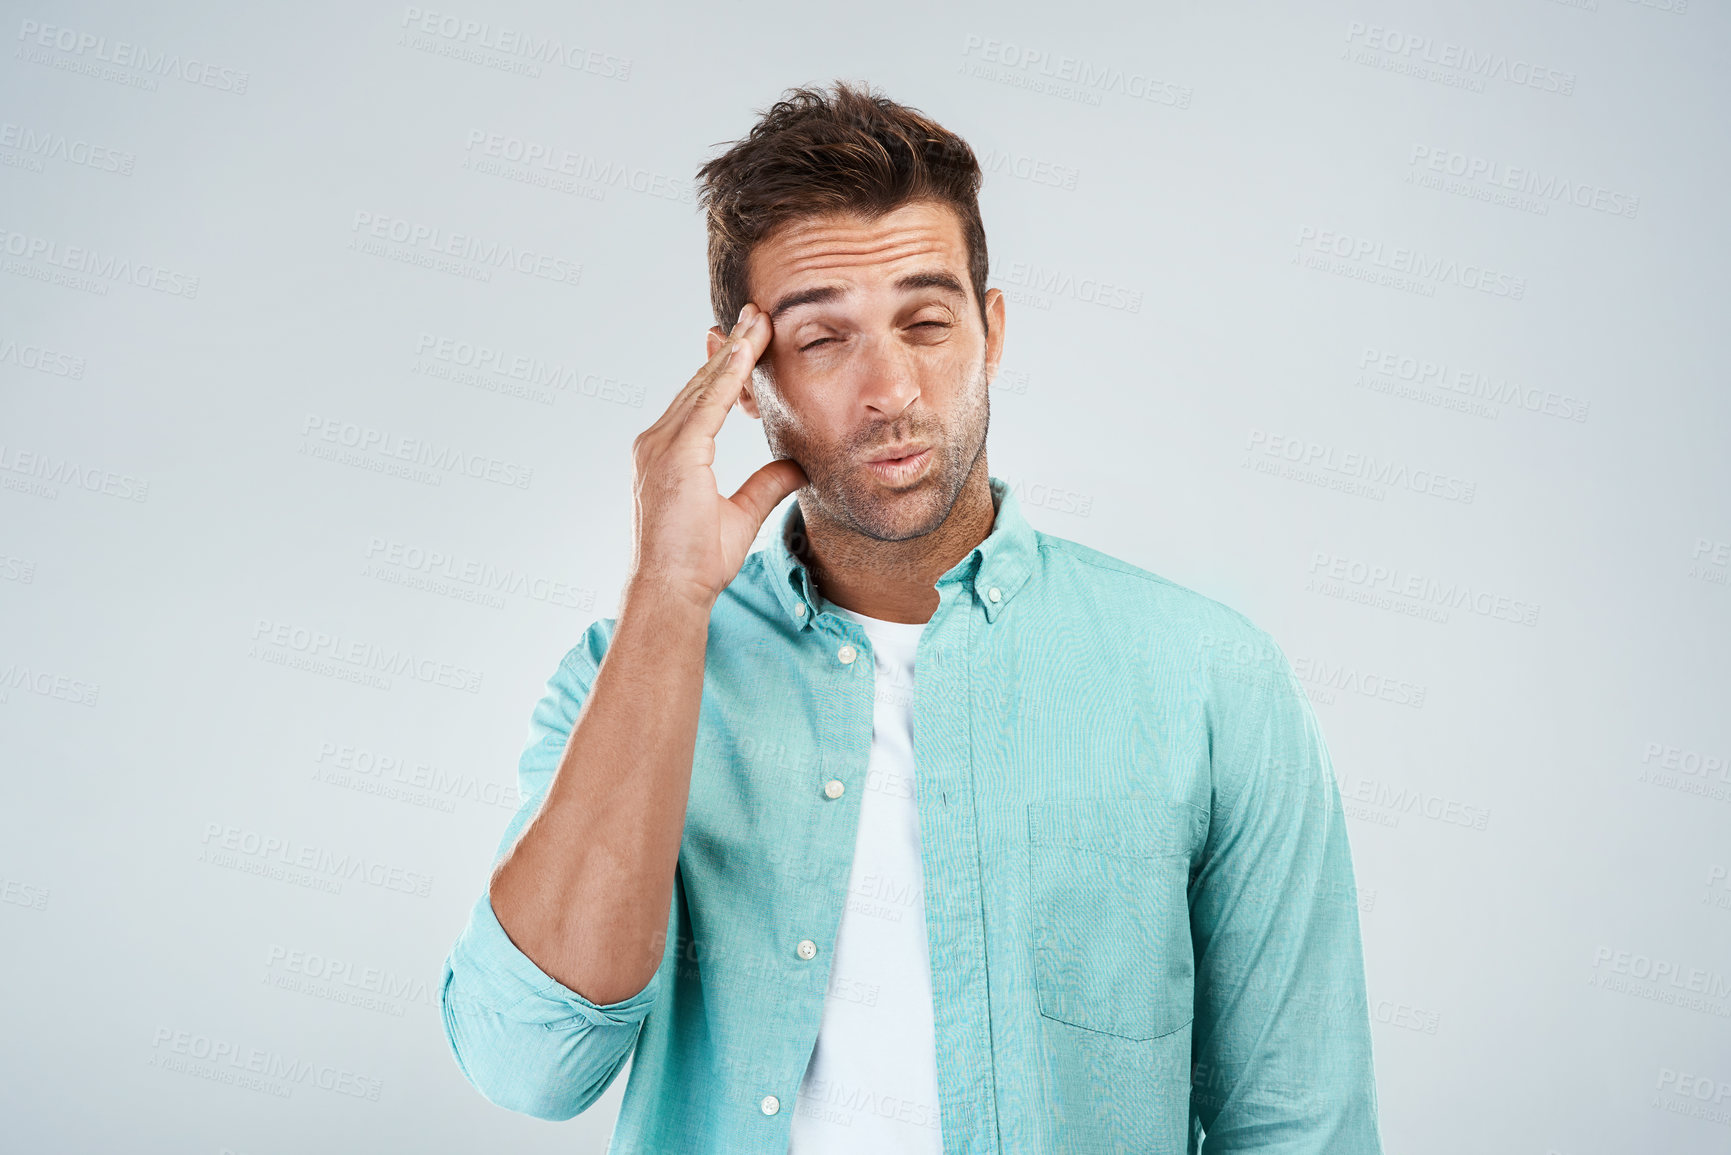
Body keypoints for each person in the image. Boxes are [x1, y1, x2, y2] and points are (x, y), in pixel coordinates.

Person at [437, 80, 1385, 1154]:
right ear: (740, 381)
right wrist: (666, 597)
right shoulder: (628, 673)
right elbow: (531, 1065)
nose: (890, 386)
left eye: (926, 323)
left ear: (990, 329)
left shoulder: (1212, 679)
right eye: (825, 339)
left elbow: (1300, 1125)